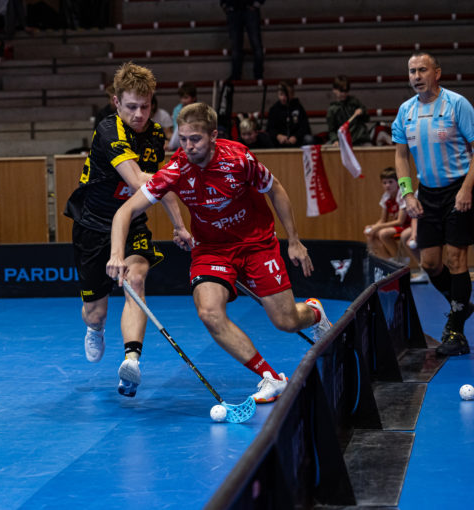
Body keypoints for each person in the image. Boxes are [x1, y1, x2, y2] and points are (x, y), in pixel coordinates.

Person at [106, 102, 333, 404]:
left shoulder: (239, 159)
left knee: (287, 321)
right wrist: (116, 254)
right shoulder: (175, 169)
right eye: (183, 139)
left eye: (195, 139)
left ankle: (315, 312)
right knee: (209, 313)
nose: (188, 146)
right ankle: (271, 377)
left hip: (256, 243)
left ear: (213, 135)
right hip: (212, 250)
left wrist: (293, 239)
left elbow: (275, 189)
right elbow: (125, 211)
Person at [64, 62, 188, 398]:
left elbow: (153, 190)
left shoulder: (156, 135)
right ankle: (95, 328)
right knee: (96, 310)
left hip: (131, 220)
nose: (138, 114)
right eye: (131, 107)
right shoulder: (108, 130)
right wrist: (181, 183)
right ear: (117, 103)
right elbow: (139, 181)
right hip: (92, 226)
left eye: (145, 107)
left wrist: (180, 226)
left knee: (135, 280)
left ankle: (131, 361)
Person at [392, 51, 474, 356]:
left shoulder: (456, 104)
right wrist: (408, 194)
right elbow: (400, 155)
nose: (416, 76)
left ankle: (455, 331)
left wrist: (467, 189)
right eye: (411, 71)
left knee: (458, 260)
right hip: (427, 194)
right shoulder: (405, 112)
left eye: (422, 70)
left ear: (437, 73)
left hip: (459, 189)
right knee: (430, 263)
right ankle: (461, 305)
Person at [363, 167, 411, 260]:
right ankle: (387, 260)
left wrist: (378, 227)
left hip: (408, 225)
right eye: (384, 183)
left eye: (390, 182)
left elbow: (400, 221)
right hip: (399, 226)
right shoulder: (386, 196)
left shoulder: (402, 194)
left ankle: (399, 260)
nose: (387, 185)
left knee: (383, 233)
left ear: (397, 182)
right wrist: (373, 227)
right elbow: (382, 220)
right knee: (371, 233)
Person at [220, 0, 264, 80]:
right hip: (234, 10)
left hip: (248, 9)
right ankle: (236, 74)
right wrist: (224, 4)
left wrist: (258, 3)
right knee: (236, 46)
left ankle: (258, 74)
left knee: (256, 44)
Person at [266, 81, 313, 148]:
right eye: (281, 94)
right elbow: (270, 129)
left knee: (309, 139)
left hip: (296, 140)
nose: (283, 98)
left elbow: (305, 127)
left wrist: (296, 136)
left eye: (286, 95)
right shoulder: (274, 109)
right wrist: (278, 136)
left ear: (292, 94)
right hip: (280, 140)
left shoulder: (298, 107)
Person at [326, 75, 370, 146]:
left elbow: (367, 119)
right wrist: (335, 140)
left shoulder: (354, 102)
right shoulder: (332, 109)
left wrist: (362, 111)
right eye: (341, 91)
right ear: (334, 90)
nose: (343, 94)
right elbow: (332, 130)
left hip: (359, 138)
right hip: (343, 140)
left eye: (346, 91)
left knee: (369, 147)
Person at [167, 82, 197, 150]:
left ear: (194, 98)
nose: (183, 100)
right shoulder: (177, 110)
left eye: (186, 97)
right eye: (181, 98)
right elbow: (176, 130)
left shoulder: (200, 109)